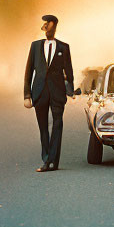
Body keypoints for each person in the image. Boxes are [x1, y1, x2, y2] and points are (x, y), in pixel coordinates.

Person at [23, 14, 74, 172]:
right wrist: (27, 95)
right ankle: (46, 159)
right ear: (44, 29)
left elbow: (69, 72)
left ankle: (53, 161)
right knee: (43, 127)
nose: (47, 30)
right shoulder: (35, 46)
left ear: (55, 28)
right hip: (39, 92)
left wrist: (70, 90)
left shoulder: (63, 47)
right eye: (45, 27)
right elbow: (28, 71)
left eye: (50, 27)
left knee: (57, 125)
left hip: (57, 93)